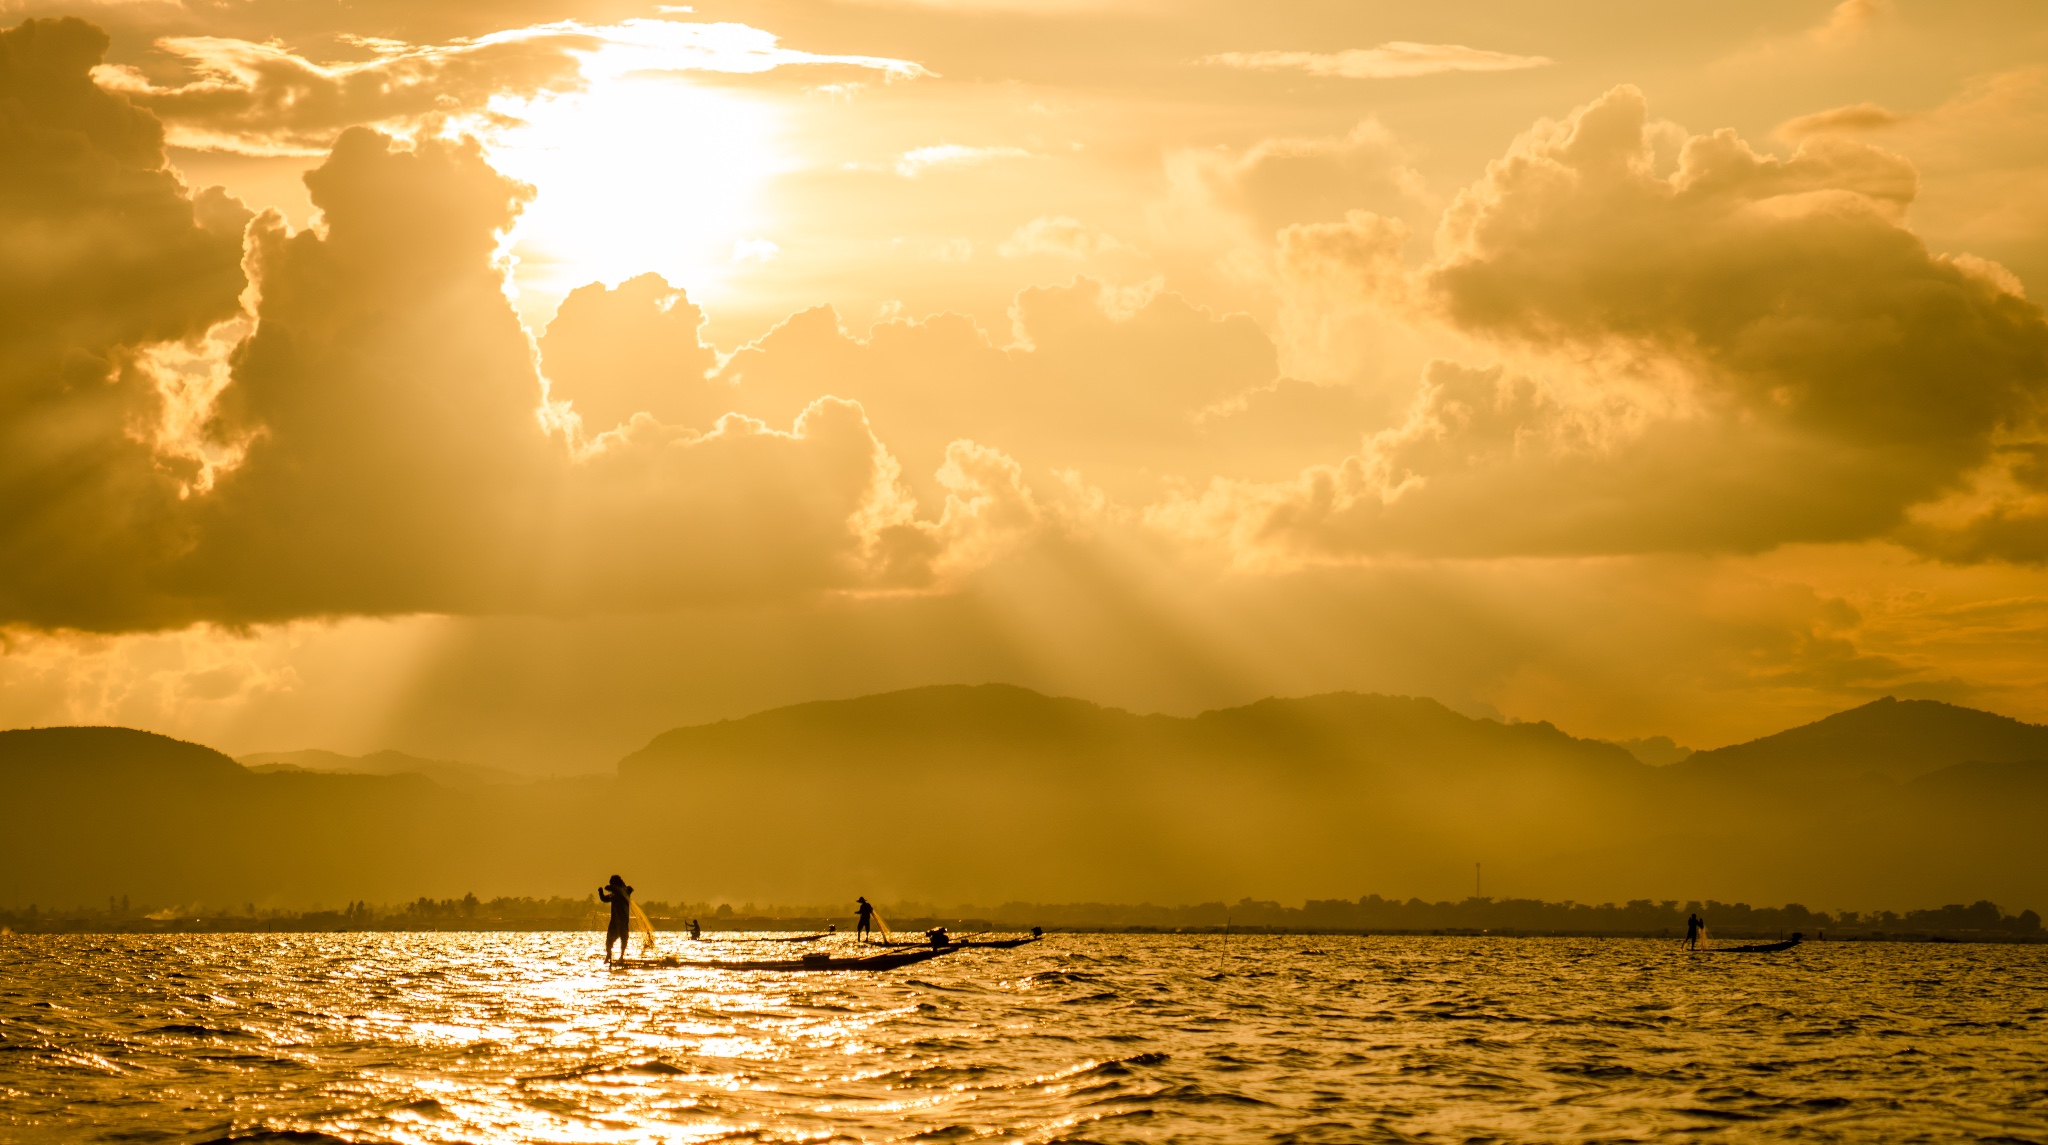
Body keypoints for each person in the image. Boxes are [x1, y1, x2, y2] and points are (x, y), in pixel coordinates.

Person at [600, 875, 635, 963]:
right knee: (609, 939)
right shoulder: (614, 894)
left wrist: (613, 888)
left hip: (623, 921)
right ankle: (609, 954)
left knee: (624, 938)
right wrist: (600, 892)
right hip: (614, 921)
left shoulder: (625, 891)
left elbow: (630, 889)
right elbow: (604, 899)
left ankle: (621, 957)